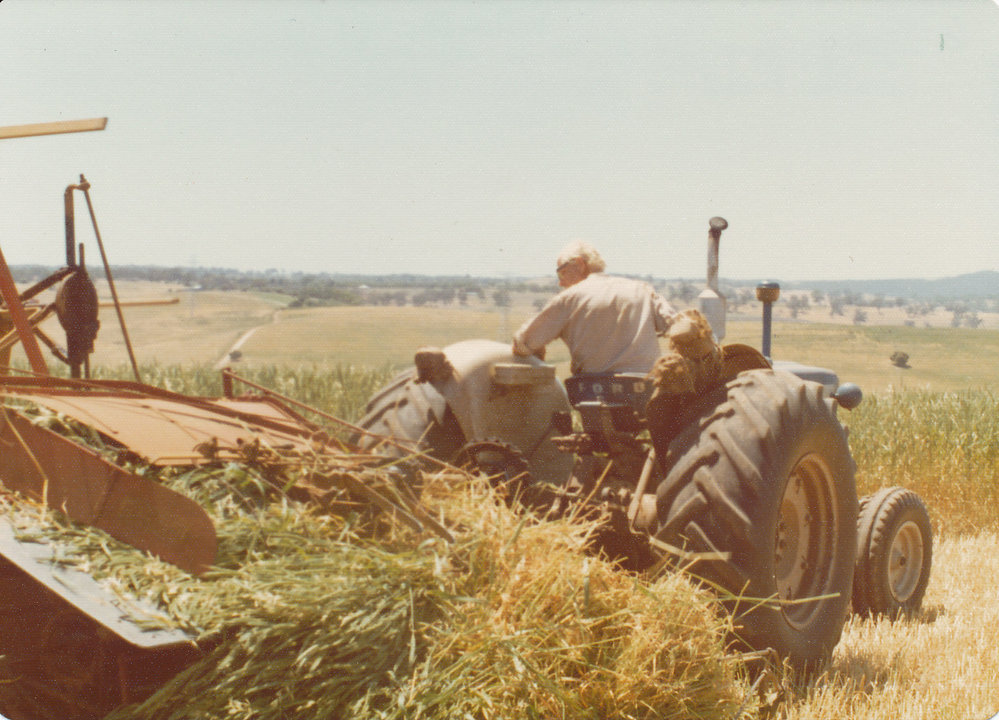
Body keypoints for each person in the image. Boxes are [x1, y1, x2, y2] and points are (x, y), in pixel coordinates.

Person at [512, 241, 678, 375]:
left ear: (579, 264)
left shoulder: (569, 299)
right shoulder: (642, 290)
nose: (560, 282)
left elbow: (523, 342)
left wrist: (537, 347)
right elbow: (675, 325)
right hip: (647, 389)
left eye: (561, 272)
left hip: (592, 393)